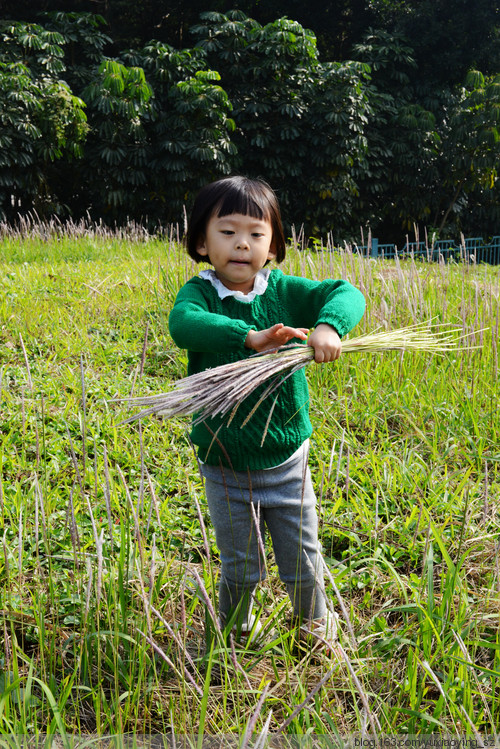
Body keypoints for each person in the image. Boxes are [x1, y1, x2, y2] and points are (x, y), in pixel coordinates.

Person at [169, 175, 365, 650]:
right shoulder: (199, 295)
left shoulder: (281, 289)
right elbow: (185, 326)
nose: (242, 244)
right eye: (227, 231)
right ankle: (235, 631)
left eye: (256, 234)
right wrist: (248, 337)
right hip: (224, 461)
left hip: (286, 460)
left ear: (273, 244)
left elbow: (347, 293)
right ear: (201, 240)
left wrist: (327, 326)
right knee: (241, 563)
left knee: (302, 558)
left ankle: (315, 630)